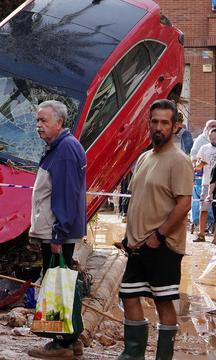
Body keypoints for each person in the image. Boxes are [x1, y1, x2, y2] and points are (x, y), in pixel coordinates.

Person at [117, 99, 192, 360]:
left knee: (163, 301)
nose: (158, 127)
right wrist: (128, 238)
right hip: (137, 245)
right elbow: (138, 200)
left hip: (163, 245)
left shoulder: (179, 160)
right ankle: (133, 355)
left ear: (175, 127)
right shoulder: (145, 157)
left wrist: (159, 236)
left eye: (164, 123)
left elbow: (184, 205)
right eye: (155, 122)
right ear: (149, 124)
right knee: (128, 295)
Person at [26, 100, 87, 359]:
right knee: (61, 282)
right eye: (38, 120)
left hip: (57, 231)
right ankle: (71, 340)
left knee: (56, 284)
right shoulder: (59, 147)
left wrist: (58, 234)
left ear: (59, 122)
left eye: (44, 121)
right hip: (55, 229)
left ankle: (60, 343)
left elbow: (65, 195)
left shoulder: (64, 150)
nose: (38, 126)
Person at [193, 128, 216, 242]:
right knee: (204, 208)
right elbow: (197, 165)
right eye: (211, 138)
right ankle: (201, 234)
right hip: (206, 182)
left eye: (215, 138)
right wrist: (199, 164)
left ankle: (215, 238)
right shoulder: (204, 148)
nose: (213, 140)